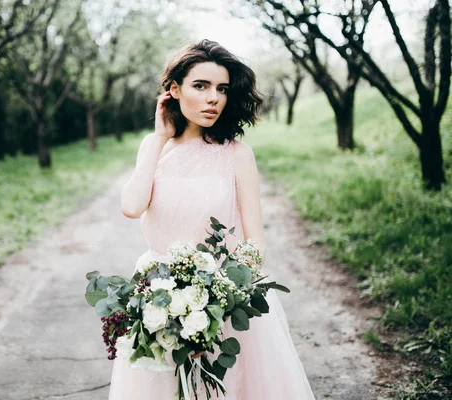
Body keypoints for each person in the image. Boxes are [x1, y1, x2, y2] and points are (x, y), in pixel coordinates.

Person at [110, 39, 315, 400]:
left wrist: (224, 295)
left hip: (223, 298)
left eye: (221, 89)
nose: (213, 99)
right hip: (158, 298)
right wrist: (160, 138)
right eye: (200, 86)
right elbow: (132, 206)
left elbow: (254, 240)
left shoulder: (237, 154)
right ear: (174, 90)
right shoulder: (153, 146)